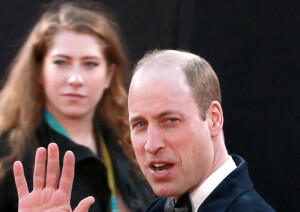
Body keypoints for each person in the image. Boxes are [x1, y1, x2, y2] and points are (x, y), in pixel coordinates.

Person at [13, 49, 275, 211]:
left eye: (170, 120)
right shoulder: (159, 209)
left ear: (214, 119)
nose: (151, 144)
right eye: (140, 124)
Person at [0, 0, 155, 212]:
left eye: (90, 64)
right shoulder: (8, 152)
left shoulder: (131, 145)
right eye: (61, 62)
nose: (75, 79)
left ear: (109, 75)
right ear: (39, 71)